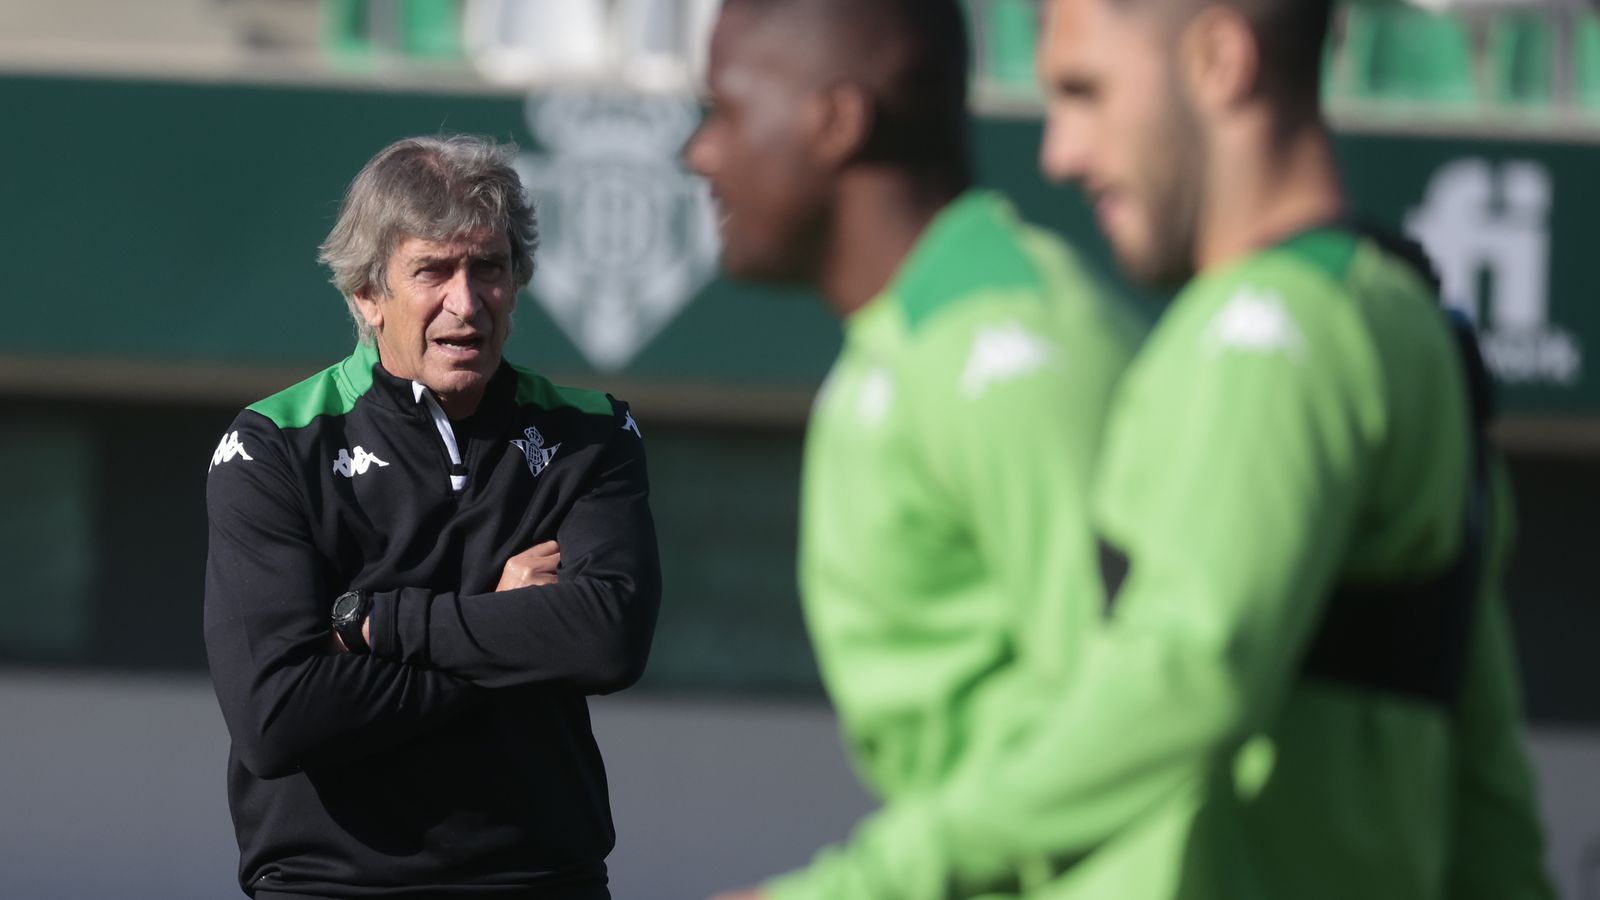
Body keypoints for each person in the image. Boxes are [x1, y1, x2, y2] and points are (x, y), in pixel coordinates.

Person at [706, 0, 1556, 897]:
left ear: (1219, 61)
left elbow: (1180, 680)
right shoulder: (1398, 313)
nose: (1060, 153)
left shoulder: (1261, 335)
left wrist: (856, 887)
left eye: (1088, 92)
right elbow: (1481, 749)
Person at [684, 1, 1142, 898]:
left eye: (728, 110)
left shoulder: (1014, 350)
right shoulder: (902, 344)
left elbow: (1134, 725)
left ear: (838, 122)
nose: (701, 152)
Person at [203, 135, 660, 900]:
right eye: (433, 270)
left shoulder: (591, 432)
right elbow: (278, 718)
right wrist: (500, 624)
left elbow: (606, 640)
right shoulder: (274, 445)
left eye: (489, 268)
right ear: (367, 295)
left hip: (544, 879)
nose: (467, 301)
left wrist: (382, 626)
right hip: (330, 884)